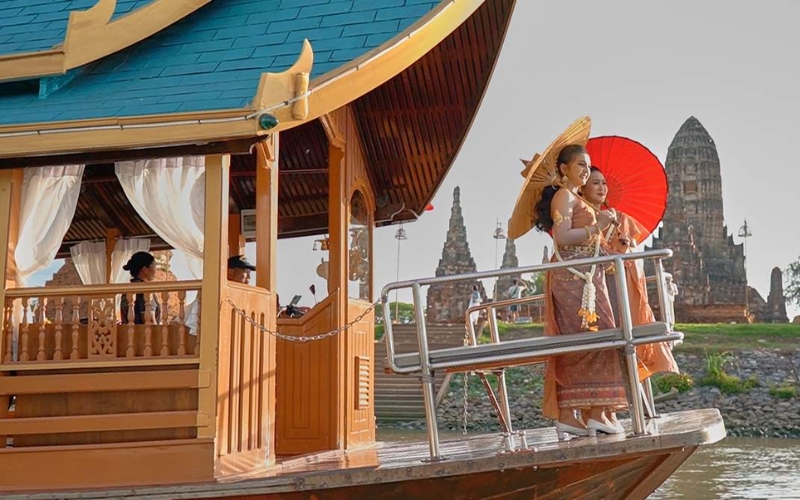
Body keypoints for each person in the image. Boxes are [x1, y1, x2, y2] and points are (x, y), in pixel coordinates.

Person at [536, 144, 627, 437]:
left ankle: (577, 411)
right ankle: (593, 410)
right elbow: (562, 237)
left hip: (588, 275)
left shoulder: (576, 199)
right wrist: (595, 226)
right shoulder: (564, 196)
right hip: (573, 277)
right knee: (595, 337)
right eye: (581, 166)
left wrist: (607, 233)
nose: (586, 172)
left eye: (588, 167)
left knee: (589, 339)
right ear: (564, 169)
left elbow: (588, 240)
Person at [581, 167, 679, 382]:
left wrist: (626, 246)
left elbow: (634, 254)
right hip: (598, 288)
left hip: (623, 284)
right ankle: (612, 395)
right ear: (582, 188)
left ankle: (636, 387)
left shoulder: (620, 218)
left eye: (604, 183)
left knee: (632, 338)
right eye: (595, 183)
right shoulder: (582, 219)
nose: (601, 188)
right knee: (610, 341)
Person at [120, 251, 160, 324]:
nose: (155, 271)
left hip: (128, 334)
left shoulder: (127, 290)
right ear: (145, 270)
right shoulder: (145, 291)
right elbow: (149, 321)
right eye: (154, 267)